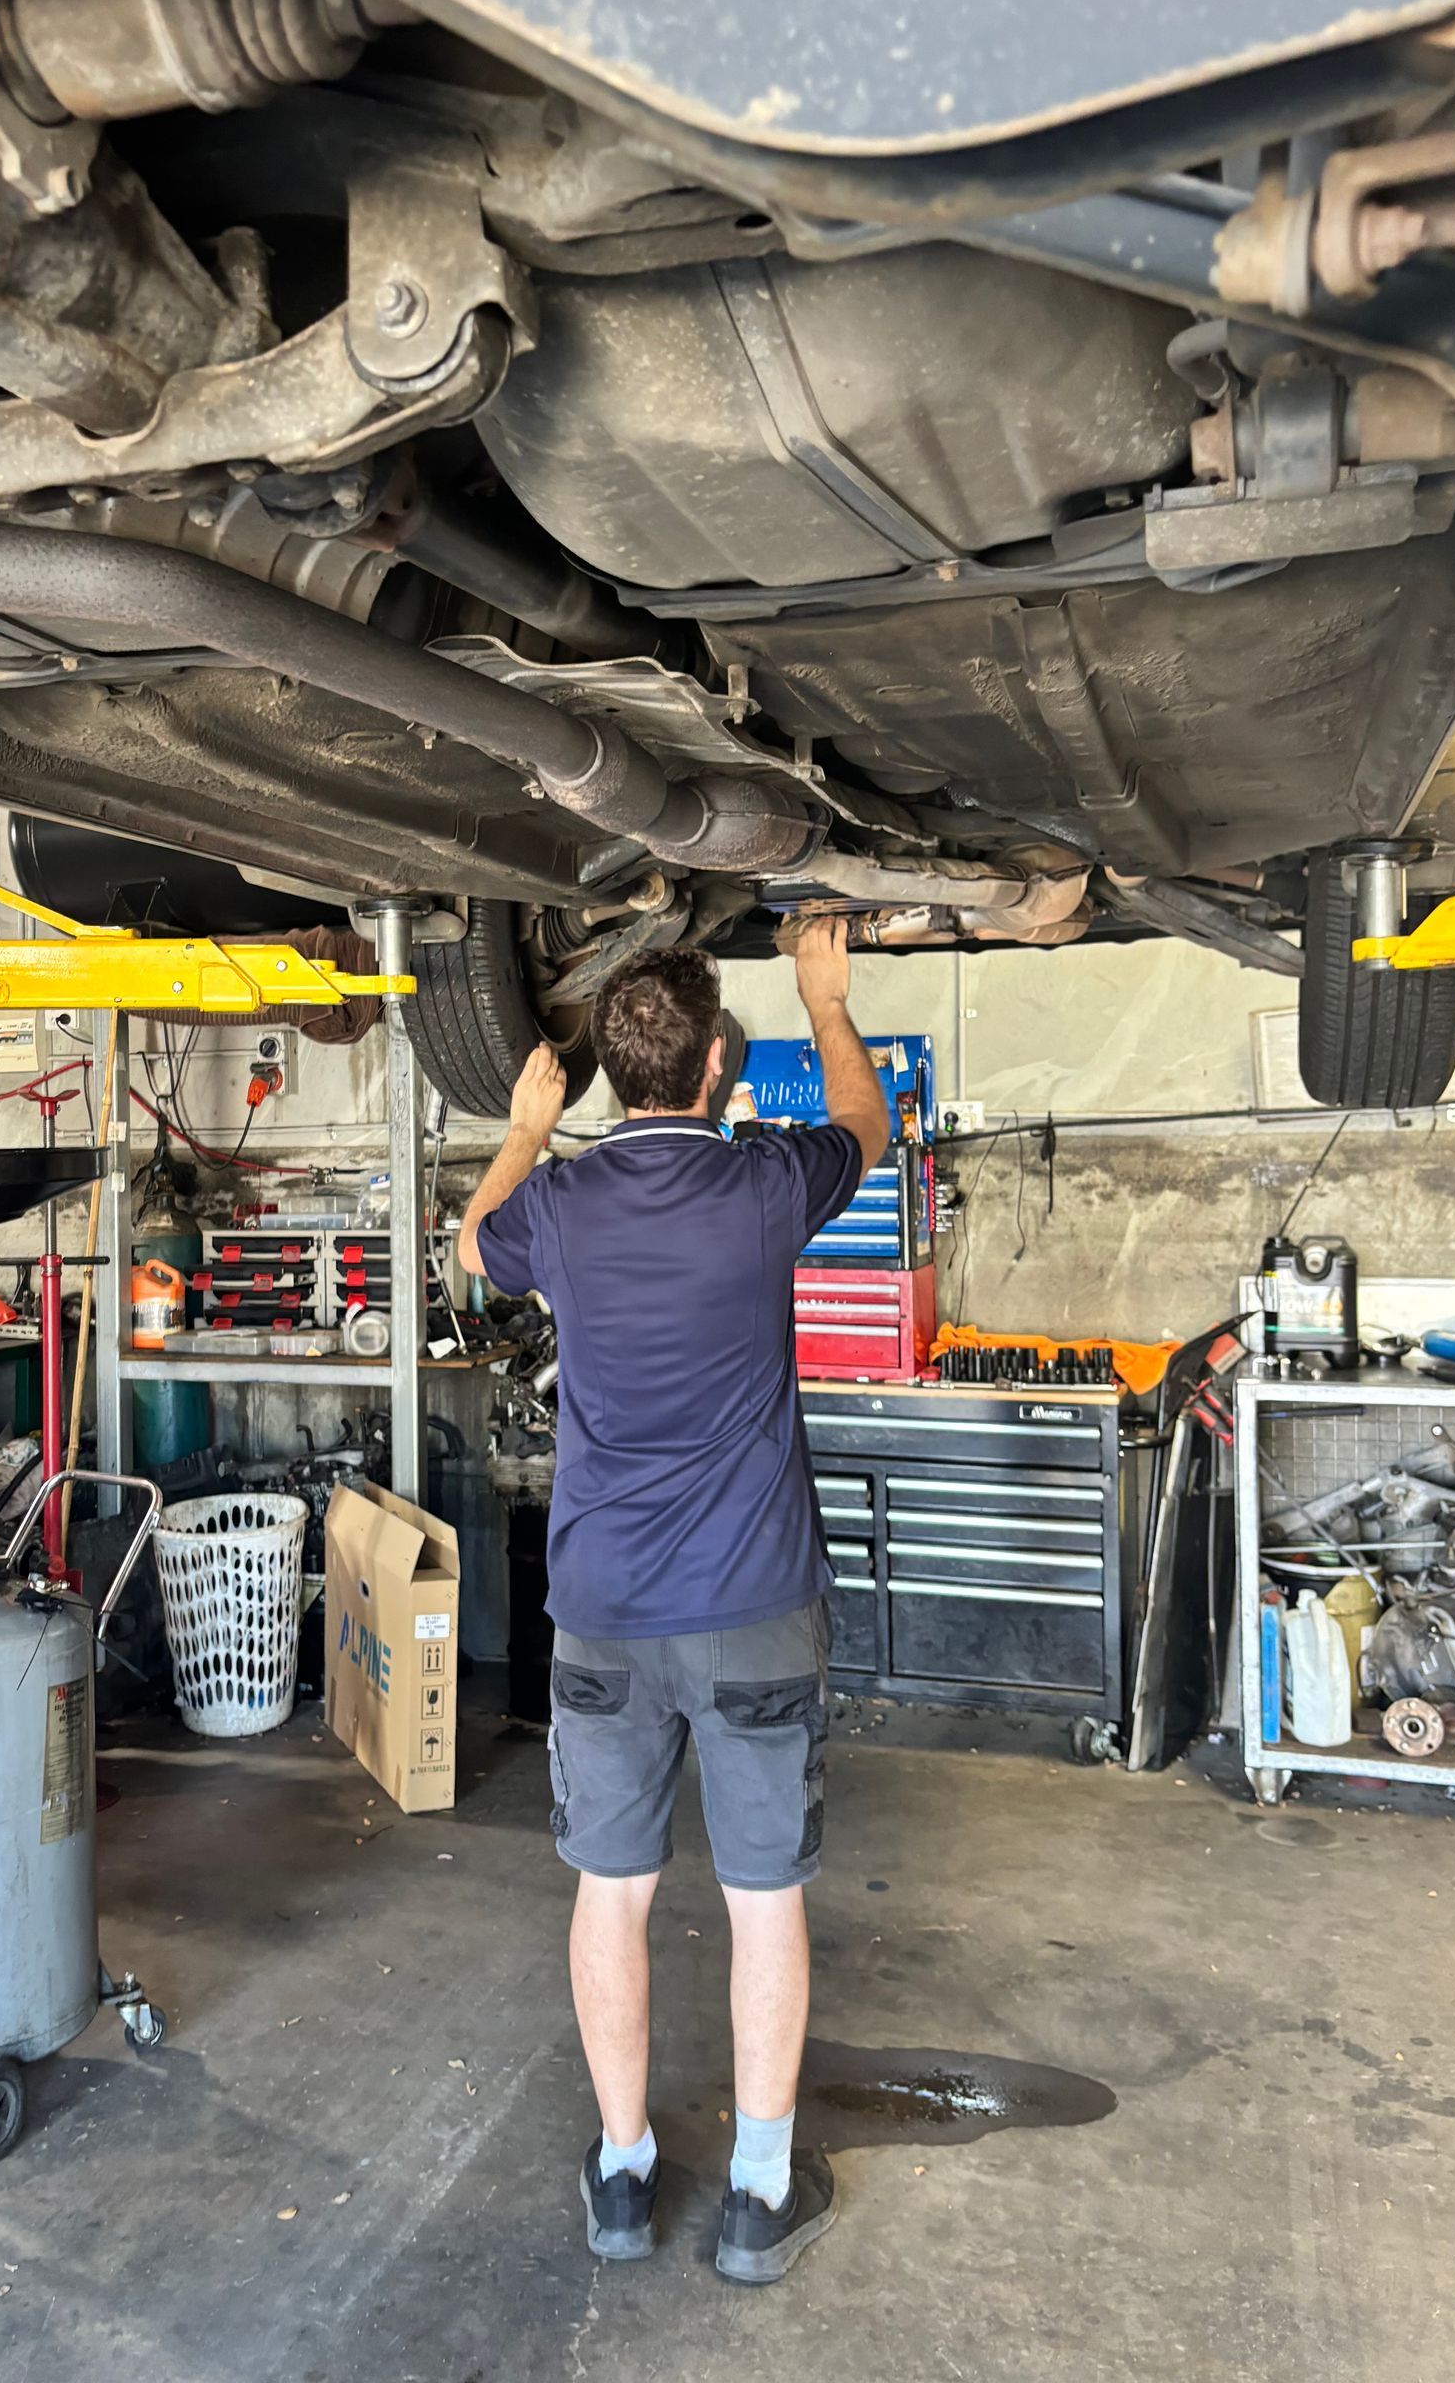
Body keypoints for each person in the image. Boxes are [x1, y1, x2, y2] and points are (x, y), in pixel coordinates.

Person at [457, 918, 890, 2285]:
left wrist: (530, 1126)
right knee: (766, 1901)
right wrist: (826, 998)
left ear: (620, 1078)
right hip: (755, 1604)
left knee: (614, 1892)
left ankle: (627, 2171)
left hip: (603, 1614)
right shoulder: (768, 1187)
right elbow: (867, 1127)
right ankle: (759, 2194)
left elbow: (474, 1246)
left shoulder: (564, 1208)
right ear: (715, 1065)